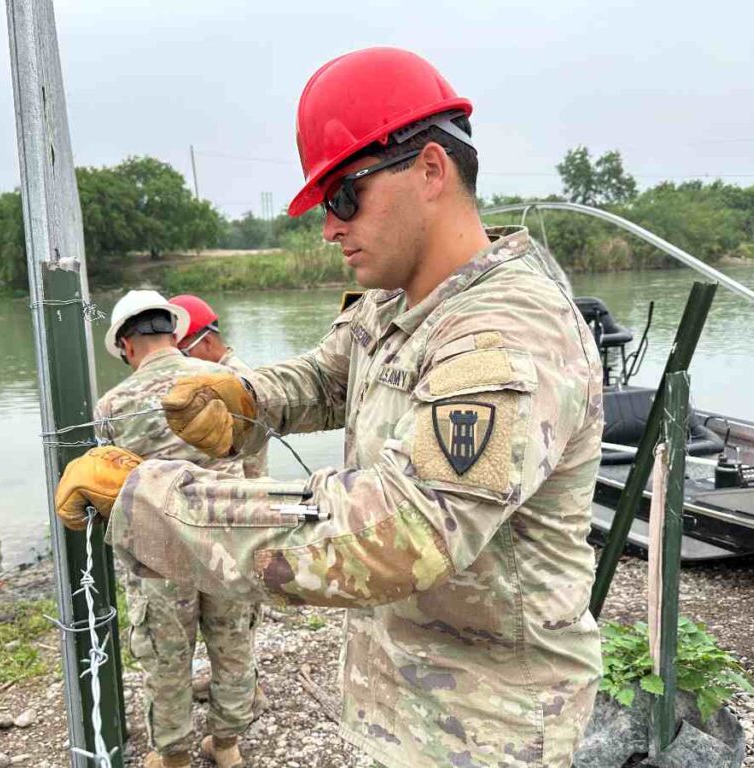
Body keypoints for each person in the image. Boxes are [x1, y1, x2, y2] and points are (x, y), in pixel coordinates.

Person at [57, 47, 603, 768]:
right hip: (402, 704)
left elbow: (400, 532)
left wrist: (152, 497)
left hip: (490, 728)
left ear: (431, 171)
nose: (329, 228)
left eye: (344, 196)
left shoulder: (505, 334)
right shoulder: (394, 303)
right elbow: (328, 376)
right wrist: (248, 397)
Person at [87, 289, 264, 768]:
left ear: (126, 346)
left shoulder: (112, 405)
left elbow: (110, 483)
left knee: (166, 654)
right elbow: (251, 459)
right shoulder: (223, 380)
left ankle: (174, 757)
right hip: (229, 539)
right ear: (173, 331)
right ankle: (227, 747)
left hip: (158, 549)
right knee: (232, 641)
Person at [168, 294, 268, 478]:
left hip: (248, 488)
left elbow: (249, 457)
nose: (178, 362)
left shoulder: (240, 381)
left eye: (183, 353)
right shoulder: (204, 377)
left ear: (206, 341)